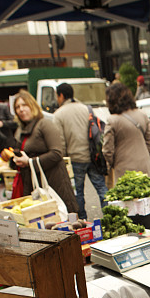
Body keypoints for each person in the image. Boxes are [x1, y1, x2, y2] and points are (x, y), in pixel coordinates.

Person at [11, 90, 78, 214]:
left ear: (32, 106)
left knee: (61, 217)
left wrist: (30, 162)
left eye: (24, 105)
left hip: (53, 182)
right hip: (33, 184)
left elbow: (57, 153)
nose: (21, 109)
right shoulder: (20, 130)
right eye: (17, 107)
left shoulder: (45, 124)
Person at [53, 82, 108, 220]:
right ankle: (110, 215)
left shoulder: (58, 115)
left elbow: (61, 142)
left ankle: (83, 221)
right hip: (92, 157)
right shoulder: (86, 109)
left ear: (61, 95)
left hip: (75, 160)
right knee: (101, 188)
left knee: (78, 192)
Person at [102, 83, 150, 186]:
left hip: (123, 167)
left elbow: (107, 150)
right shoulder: (142, 115)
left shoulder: (113, 120)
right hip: (144, 165)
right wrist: (144, 155)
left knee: (127, 198)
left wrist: (113, 163)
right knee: (145, 197)